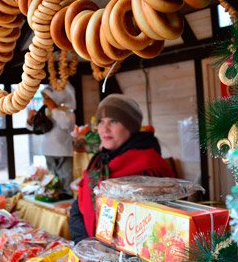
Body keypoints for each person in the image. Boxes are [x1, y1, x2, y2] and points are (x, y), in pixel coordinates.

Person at [70, 94, 176, 243]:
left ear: (130, 126)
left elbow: (152, 226)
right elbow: (79, 205)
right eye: (101, 122)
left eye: (113, 121)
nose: (104, 129)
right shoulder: (100, 160)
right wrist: (84, 242)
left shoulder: (149, 166)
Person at [27, 84, 76, 196]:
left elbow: (66, 125)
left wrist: (54, 109)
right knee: (52, 174)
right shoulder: (44, 111)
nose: (45, 101)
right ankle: (54, 192)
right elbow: (35, 128)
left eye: (48, 98)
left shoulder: (67, 112)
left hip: (63, 149)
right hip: (47, 149)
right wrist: (30, 120)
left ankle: (67, 194)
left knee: (65, 173)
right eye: (44, 98)